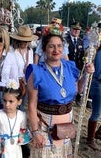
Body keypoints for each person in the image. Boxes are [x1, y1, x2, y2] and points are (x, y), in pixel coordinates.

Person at [26, 25, 94, 157]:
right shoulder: (36, 72)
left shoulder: (70, 67)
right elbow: (31, 106)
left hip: (65, 127)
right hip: (44, 126)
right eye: (51, 46)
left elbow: (78, 89)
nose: (56, 50)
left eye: (59, 46)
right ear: (44, 49)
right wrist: (35, 132)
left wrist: (86, 74)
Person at [0, 79, 30, 158]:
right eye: (4, 101)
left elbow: (22, 136)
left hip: (15, 151)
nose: (7, 104)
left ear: (19, 102)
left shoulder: (22, 115)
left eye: (11, 101)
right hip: (1, 150)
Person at [10, 25, 37, 111]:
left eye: (27, 41)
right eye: (23, 41)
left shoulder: (30, 51)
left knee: (22, 105)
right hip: (14, 83)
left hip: (26, 83)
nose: (25, 43)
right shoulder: (12, 51)